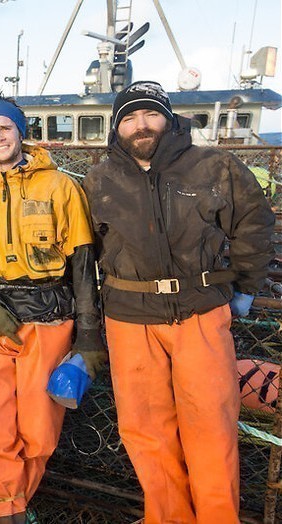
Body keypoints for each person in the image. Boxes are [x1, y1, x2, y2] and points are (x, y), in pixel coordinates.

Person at [83, 81, 275, 523]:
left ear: (168, 119)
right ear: (117, 128)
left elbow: (253, 220)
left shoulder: (213, 165)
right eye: (128, 117)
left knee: (212, 428)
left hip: (201, 314)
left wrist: (245, 287)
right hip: (130, 319)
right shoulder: (98, 180)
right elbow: (83, 250)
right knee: (145, 432)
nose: (140, 125)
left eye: (149, 114)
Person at [0, 96, 104, 523]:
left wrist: (88, 339)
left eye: (5, 128)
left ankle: (11, 503)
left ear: (21, 132)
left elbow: (84, 269)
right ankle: (2, 508)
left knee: (38, 429)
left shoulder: (60, 188)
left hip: (49, 321)